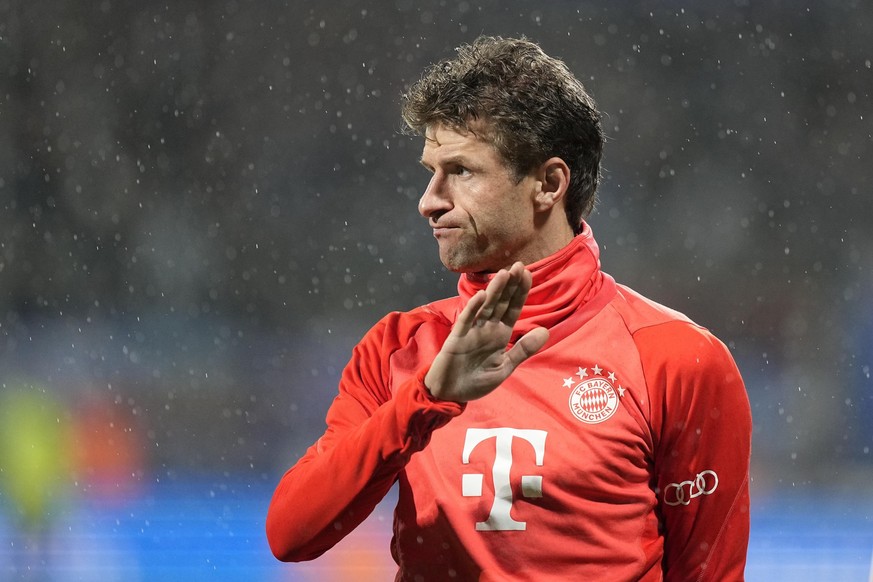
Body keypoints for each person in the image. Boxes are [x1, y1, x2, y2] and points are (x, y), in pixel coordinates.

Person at [266, 36, 752, 581]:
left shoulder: (676, 358)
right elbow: (292, 533)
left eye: (462, 171)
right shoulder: (399, 349)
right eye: (431, 171)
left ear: (548, 184)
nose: (430, 199)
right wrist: (426, 401)